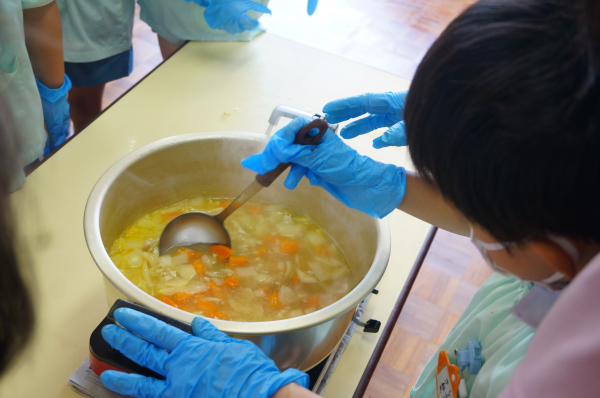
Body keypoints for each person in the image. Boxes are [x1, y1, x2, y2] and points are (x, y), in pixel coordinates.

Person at [1, 0, 599, 398]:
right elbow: (518, 229)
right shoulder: (576, 222)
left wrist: (273, 391)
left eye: (471, 207)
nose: (465, 220)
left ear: (552, 249)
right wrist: (392, 184)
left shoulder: (575, 370)